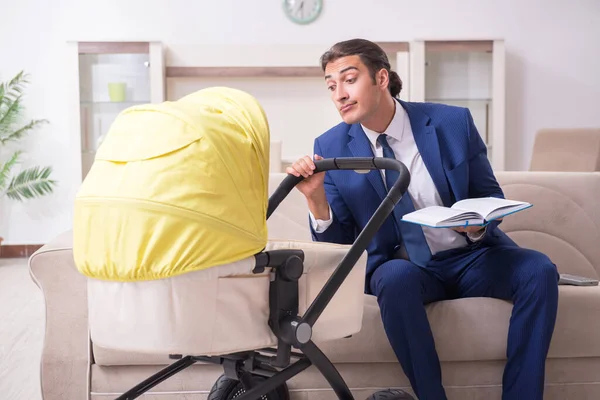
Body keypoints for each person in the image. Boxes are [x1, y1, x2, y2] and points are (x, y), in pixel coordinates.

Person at [287, 39, 559, 400]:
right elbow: (339, 245)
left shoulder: (451, 122)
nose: (339, 94)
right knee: (393, 278)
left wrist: (478, 223)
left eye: (349, 80)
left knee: (539, 270)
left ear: (381, 77)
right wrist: (315, 198)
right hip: (407, 267)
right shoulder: (333, 145)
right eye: (331, 86)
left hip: (472, 256)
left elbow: (489, 193)